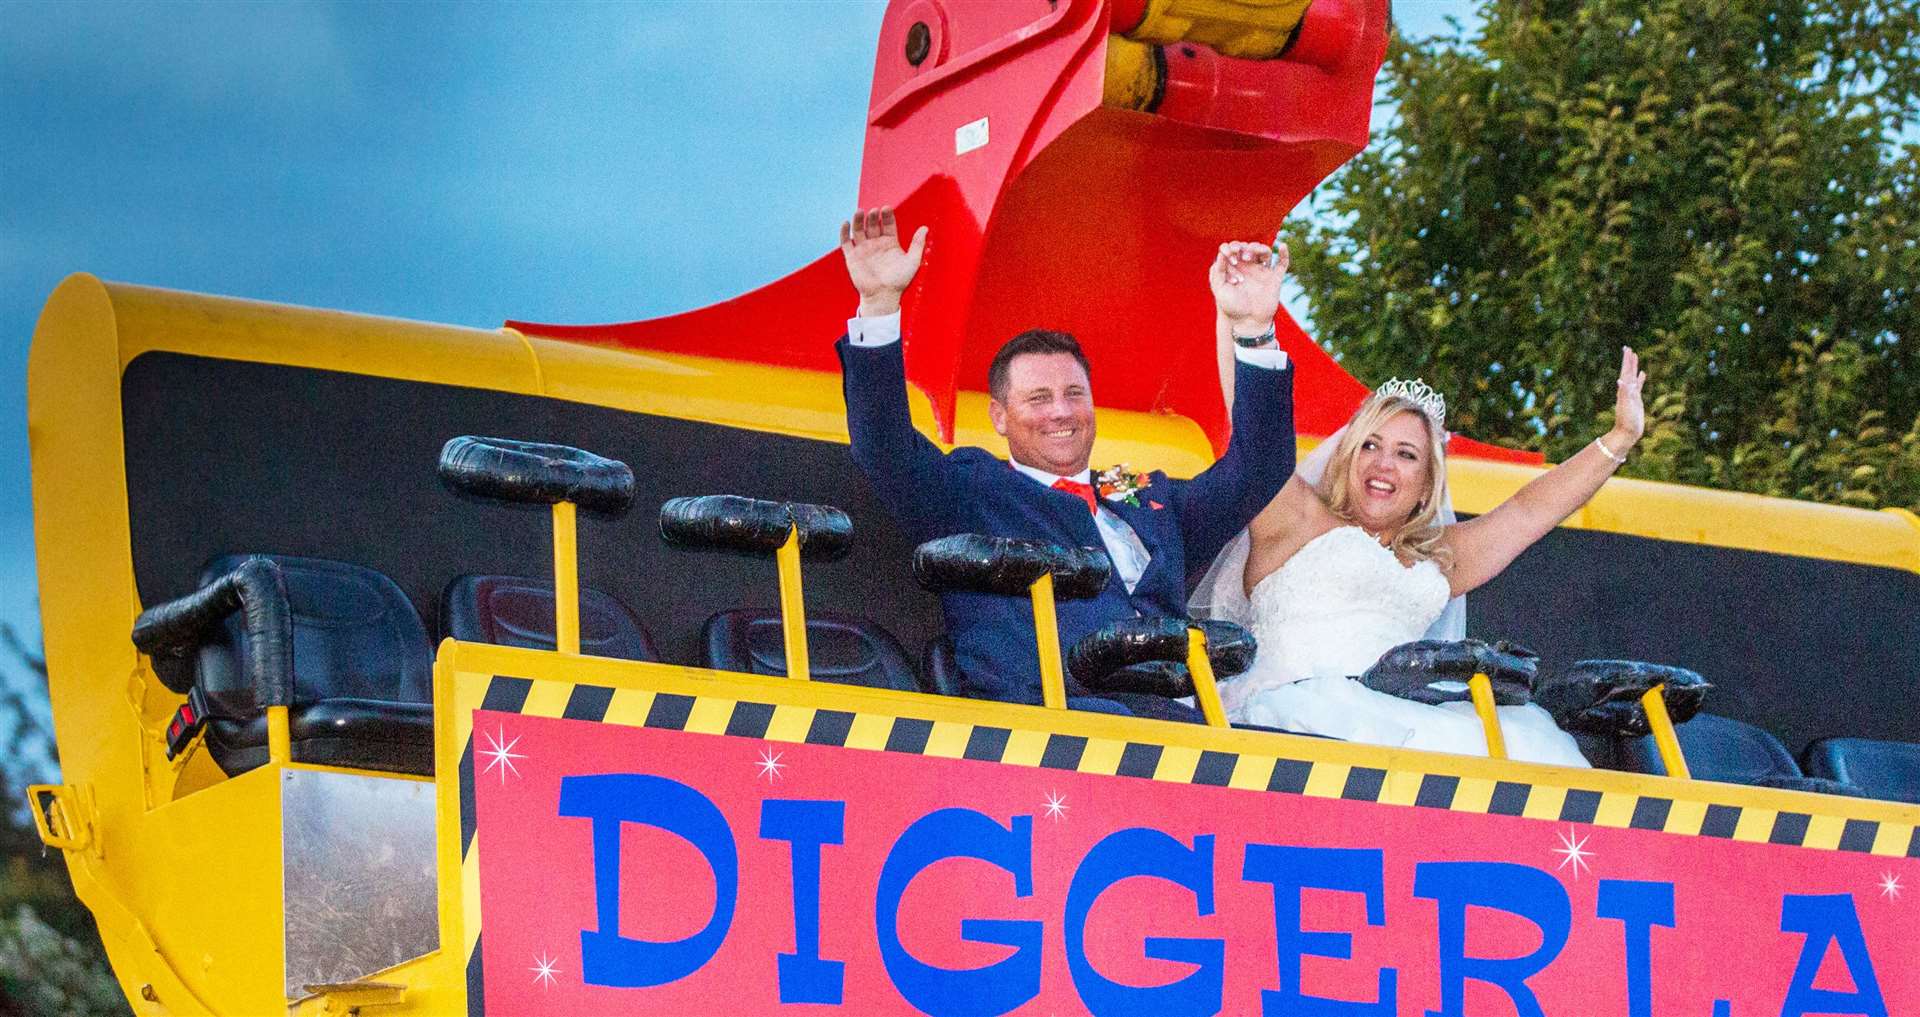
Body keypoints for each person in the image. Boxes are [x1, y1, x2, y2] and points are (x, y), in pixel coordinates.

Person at [837, 207, 1297, 719]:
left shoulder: (1146, 496)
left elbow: (1259, 467)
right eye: (1038, 398)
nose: (1061, 411)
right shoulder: (972, 492)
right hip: (1047, 737)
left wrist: (1254, 330)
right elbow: (884, 444)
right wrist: (879, 305)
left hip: (1179, 733)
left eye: (1074, 394)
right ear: (1000, 417)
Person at [1198, 348, 1648, 764]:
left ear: (1427, 483)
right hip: (1293, 721)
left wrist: (1620, 439)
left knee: (1523, 744)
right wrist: (1247, 322)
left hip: (1410, 724)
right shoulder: (1295, 519)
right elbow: (1256, 433)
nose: (1383, 464)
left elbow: (1528, 511)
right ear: (1347, 454)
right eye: (1370, 445)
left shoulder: (1439, 555)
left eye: (1405, 454)